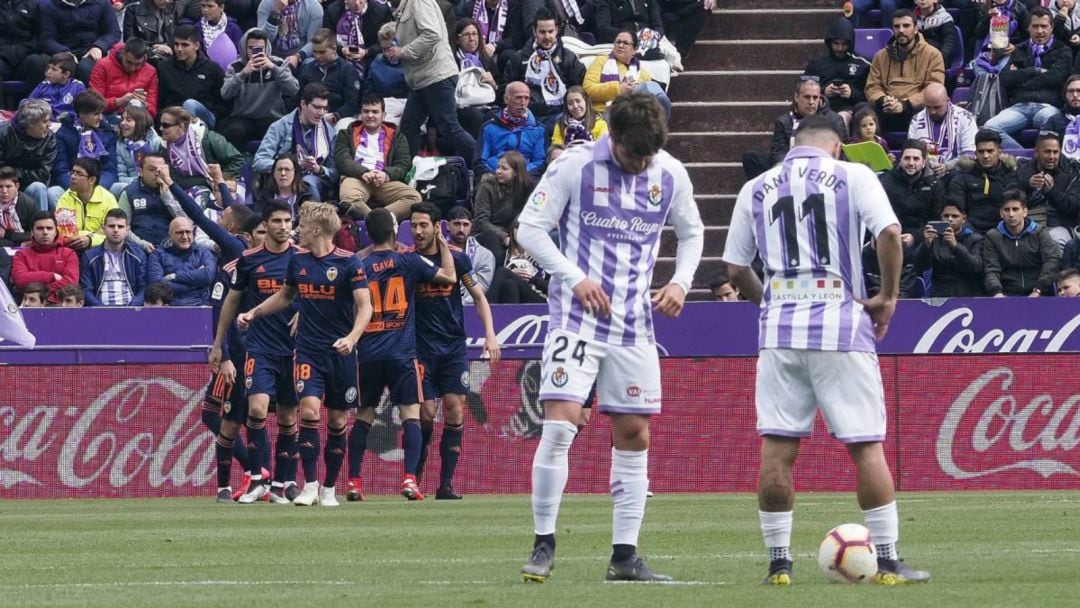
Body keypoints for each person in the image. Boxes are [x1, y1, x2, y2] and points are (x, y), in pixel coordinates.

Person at [723, 115, 930, 587]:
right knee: (865, 445)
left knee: (777, 448)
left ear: (794, 144)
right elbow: (890, 234)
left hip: (779, 333)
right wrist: (888, 298)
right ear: (837, 145)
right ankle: (889, 559)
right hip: (839, 322)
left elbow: (735, 268)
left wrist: (770, 305)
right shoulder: (854, 174)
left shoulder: (756, 186)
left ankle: (779, 564)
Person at [517, 91, 703, 583]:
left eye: (648, 157)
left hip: (634, 326)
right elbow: (529, 229)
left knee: (635, 434)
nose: (641, 165)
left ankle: (624, 557)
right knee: (559, 426)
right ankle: (543, 544)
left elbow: (693, 232)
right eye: (633, 155)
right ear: (612, 136)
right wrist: (573, 277)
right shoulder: (575, 166)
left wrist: (681, 280)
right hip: (576, 320)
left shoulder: (670, 173)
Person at [237, 202, 372, 507]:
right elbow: (285, 296)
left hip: (341, 353)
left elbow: (366, 307)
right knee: (309, 411)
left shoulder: (349, 263)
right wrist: (254, 312)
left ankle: (329, 488)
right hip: (308, 351)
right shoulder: (298, 262)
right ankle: (310, 483)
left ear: (316, 229)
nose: (295, 230)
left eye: (300, 225)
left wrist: (352, 337)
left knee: (337, 422)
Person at [346, 207, 457, 502]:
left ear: (369, 233)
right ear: (395, 232)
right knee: (410, 414)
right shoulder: (407, 261)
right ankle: (409, 479)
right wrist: (443, 243)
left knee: (364, 416)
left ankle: (355, 482)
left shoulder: (359, 264)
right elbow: (449, 276)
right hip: (401, 352)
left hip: (368, 352)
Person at [402, 202, 500, 499]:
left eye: (423, 225)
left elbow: (479, 297)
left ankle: (446, 485)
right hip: (419, 347)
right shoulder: (408, 261)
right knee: (426, 414)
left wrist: (490, 335)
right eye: (414, 226)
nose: (418, 231)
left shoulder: (457, 260)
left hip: (453, 347)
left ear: (437, 226)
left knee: (455, 410)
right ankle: (415, 474)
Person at [212, 201, 302, 504]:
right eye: (275, 220)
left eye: (287, 220)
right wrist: (218, 344)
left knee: (289, 417)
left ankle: (281, 483)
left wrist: (306, 313)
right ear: (265, 224)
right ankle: (256, 479)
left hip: (295, 351)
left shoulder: (302, 258)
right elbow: (231, 302)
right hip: (259, 348)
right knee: (256, 411)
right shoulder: (249, 260)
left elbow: (322, 296)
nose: (282, 226)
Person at [394, 0, 477, 161]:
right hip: (422, 78)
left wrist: (403, 51)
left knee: (449, 128)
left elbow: (432, 34)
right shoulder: (405, 6)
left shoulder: (419, 3)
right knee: (408, 128)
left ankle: (482, 164)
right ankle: (408, 172)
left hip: (437, 76)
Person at [985, 8, 1072, 150]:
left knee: (1052, 124)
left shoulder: (1063, 50)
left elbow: (1056, 78)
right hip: (1019, 107)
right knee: (989, 129)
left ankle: (1041, 159)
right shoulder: (1019, 49)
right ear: (1028, 28)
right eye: (1035, 26)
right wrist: (1035, 70)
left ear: (1052, 28)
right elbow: (1005, 78)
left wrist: (1021, 78)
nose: (1039, 31)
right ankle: (1022, 157)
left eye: (1044, 26)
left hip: (1048, 106)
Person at [335, 94, 422, 220]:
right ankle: (379, 222)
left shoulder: (397, 136)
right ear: (361, 114)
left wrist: (385, 175)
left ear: (383, 115)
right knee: (348, 199)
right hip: (357, 178)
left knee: (415, 198)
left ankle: (378, 219)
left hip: (384, 181)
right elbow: (342, 160)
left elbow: (403, 164)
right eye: (366, 111)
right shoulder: (346, 133)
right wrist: (363, 172)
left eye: (375, 112)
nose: (370, 115)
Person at [742, 76, 847, 180]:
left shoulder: (834, 120)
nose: (811, 102)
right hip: (792, 167)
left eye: (815, 97)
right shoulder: (784, 121)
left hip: (824, 169)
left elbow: (842, 153)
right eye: (807, 97)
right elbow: (778, 153)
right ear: (796, 97)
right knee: (751, 157)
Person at [502, 9, 587, 129]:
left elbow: (580, 87)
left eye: (550, 31)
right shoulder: (519, 58)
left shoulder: (569, 57)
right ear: (534, 31)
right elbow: (506, 88)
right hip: (526, 115)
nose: (547, 36)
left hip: (560, 114)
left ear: (557, 30)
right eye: (542, 32)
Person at [253, 83, 338, 201]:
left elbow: (334, 171)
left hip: (313, 179)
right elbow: (259, 161)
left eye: (325, 108)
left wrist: (318, 169)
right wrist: (288, 167)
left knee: (307, 182)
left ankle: (311, 217)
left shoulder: (329, 131)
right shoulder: (280, 126)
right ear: (303, 104)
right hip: (283, 179)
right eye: (317, 107)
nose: (321, 113)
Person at [865, 9, 946, 133]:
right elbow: (872, 87)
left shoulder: (933, 55)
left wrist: (905, 105)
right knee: (862, 110)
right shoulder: (880, 56)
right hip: (886, 109)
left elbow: (934, 88)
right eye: (897, 26)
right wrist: (883, 100)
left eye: (906, 26)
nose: (901, 30)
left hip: (915, 109)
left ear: (916, 28)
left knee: (929, 109)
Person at [219, 29, 301, 149]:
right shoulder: (235, 67)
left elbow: (294, 89)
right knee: (234, 130)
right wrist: (243, 74)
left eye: (260, 49)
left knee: (283, 132)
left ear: (266, 48)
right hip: (243, 118)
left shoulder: (278, 63)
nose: (255, 53)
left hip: (272, 118)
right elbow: (225, 94)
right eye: (251, 48)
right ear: (244, 48)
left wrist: (273, 68)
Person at [983, 189, 1061, 297]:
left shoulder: (1040, 232)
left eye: (1015, 209)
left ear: (1025, 212)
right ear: (1001, 213)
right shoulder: (992, 236)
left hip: (1040, 293)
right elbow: (991, 269)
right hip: (1006, 294)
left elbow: (1051, 261)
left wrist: (1038, 289)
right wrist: (997, 292)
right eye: (1007, 210)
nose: (1011, 214)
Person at [583, 29, 670, 119]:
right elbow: (588, 90)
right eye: (618, 42)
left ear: (634, 50)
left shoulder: (642, 73)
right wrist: (619, 88)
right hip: (603, 113)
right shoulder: (601, 61)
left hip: (632, 117)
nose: (620, 45)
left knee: (651, 87)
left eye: (625, 43)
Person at [946, 128, 1021, 233]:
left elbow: (1014, 207)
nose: (985, 156)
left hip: (1003, 229)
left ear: (999, 152)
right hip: (970, 229)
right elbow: (956, 206)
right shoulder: (963, 174)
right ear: (975, 153)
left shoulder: (1011, 174)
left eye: (990, 151)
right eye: (981, 152)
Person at [51, 91, 118, 207]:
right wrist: (79, 188)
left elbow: (110, 170)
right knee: (53, 192)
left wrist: (94, 189)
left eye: (101, 113)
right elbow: (61, 170)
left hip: (99, 186)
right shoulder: (62, 134)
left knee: (119, 187)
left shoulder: (108, 134)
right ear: (82, 114)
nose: (100, 118)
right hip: (72, 185)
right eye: (96, 114)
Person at [1015, 130, 1080, 247]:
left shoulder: (1073, 171)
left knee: (1056, 240)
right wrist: (1027, 185)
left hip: (1058, 225)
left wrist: (1053, 191)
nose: (1052, 156)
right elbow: (1007, 199)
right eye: (1047, 152)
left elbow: (1073, 207)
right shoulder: (1022, 169)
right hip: (1025, 223)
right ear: (1036, 152)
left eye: (1055, 152)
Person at [156, 25, 228, 129]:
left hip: (204, 119)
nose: (179, 49)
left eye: (185, 45)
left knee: (190, 104)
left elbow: (223, 102)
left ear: (196, 45)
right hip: (173, 120)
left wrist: (216, 116)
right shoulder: (164, 68)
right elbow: (160, 100)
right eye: (176, 44)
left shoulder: (212, 69)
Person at [159, 106, 245, 192]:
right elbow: (178, 182)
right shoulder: (164, 148)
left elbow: (238, 160)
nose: (160, 128)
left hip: (220, 189)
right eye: (161, 125)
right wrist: (207, 181)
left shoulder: (207, 138)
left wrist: (221, 180)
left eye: (165, 125)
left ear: (181, 126)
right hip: (188, 192)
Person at [912, 201, 986, 297]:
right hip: (940, 295)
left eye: (955, 216)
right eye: (946, 216)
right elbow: (919, 267)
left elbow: (976, 267)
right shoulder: (934, 239)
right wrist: (926, 246)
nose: (950, 219)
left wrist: (955, 247)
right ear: (941, 217)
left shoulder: (975, 239)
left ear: (964, 219)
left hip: (968, 295)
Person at [475, 82, 546, 180]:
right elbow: (480, 161)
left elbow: (541, 162)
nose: (523, 103)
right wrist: (498, 174)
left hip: (526, 178)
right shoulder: (489, 127)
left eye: (526, 98)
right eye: (518, 97)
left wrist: (518, 175)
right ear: (506, 99)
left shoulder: (538, 129)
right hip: (495, 176)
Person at [39, 0, 122, 83]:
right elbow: (46, 38)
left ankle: (87, 95)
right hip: (63, 51)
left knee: (85, 68)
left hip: (92, 50)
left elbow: (114, 32)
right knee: (40, 63)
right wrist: (64, 52)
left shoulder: (102, 3)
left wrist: (99, 46)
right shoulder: (49, 5)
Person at [803, 17, 871, 117]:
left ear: (850, 43)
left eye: (844, 44)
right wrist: (823, 92)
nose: (840, 48)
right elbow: (802, 90)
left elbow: (871, 94)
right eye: (836, 44)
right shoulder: (816, 64)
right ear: (830, 42)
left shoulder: (863, 64)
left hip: (852, 110)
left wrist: (852, 93)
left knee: (842, 118)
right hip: (822, 108)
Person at [80, 208, 149, 306]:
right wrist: (102, 309)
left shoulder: (138, 255)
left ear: (127, 230)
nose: (116, 230)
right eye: (111, 226)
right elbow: (86, 290)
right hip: (100, 313)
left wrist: (132, 308)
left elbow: (143, 288)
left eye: (120, 226)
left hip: (131, 311)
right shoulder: (89, 256)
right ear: (103, 229)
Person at [296, 29, 362, 130]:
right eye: (315, 52)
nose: (317, 56)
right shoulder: (307, 69)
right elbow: (299, 98)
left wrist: (336, 115)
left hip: (337, 118)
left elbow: (352, 103)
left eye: (322, 52)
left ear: (334, 49)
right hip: (310, 116)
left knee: (342, 127)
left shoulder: (347, 70)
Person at [473, 150, 531, 265]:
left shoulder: (526, 188)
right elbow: (481, 221)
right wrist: (504, 237)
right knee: (492, 239)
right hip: (487, 233)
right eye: (498, 167)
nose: (498, 171)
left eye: (504, 169)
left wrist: (514, 238)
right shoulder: (487, 186)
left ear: (516, 172)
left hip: (513, 234)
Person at [907, 82, 977, 175]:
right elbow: (911, 152)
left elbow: (970, 156)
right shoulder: (917, 119)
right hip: (924, 176)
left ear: (948, 101)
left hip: (957, 174)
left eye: (937, 107)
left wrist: (948, 166)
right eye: (928, 107)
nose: (932, 112)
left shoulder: (965, 118)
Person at [146, 216, 217, 306]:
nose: (185, 236)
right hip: (169, 307)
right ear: (170, 235)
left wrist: (176, 277)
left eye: (188, 232)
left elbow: (207, 276)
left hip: (199, 305)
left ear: (193, 233)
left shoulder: (203, 252)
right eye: (179, 232)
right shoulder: (157, 255)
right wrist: (195, 284)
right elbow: (157, 286)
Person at [0, 100, 56, 214]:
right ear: (31, 123)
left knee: (50, 190)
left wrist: (16, 172)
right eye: (45, 121)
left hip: (34, 186)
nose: (49, 125)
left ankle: (42, 226)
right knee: (38, 187)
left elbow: (43, 174)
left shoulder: (49, 137)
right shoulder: (3, 133)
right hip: (6, 187)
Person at [119, 153, 184, 250]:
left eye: (161, 170)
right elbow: (122, 227)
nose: (157, 173)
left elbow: (185, 222)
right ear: (141, 171)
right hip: (137, 248)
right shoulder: (128, 193)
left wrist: (167, 197)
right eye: (152, 170)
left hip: (170, 247)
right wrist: (141, 244)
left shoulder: (174, 190)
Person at [11, 211, 79, 302]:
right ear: (32, 232)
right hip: (29, 305)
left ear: (56, 231)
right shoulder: (21, 255)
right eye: (40, 228)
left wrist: (41, 294)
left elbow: (71, 282)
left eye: (49, 228)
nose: (45, 232)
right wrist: (51, 276)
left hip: (59, 305)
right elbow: (20, 280)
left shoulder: (68, 254)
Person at [54, 157, 119, 252]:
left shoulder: (108, 199)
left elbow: (113, 231)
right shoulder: (65, 199)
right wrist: (94, 234)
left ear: (92, 180)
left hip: (100, 250)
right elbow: (64, 233)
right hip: (71, 248)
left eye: (78, 174)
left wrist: (90, 240)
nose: (72, 176)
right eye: (72, 172)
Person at [451, 18, 500, 139]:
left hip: (486, 105)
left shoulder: (486, 60)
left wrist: (494, 83)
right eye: (467, 35)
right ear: (457, 39)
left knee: (495, 115)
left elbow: (500, 90)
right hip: (461, 107)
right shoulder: (451, 62)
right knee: (474, 116)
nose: (472, 39)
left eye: (474, 34)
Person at [89, 38, 159, 120]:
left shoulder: (150, 72)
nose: (132, 68)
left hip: (137, 119)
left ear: (144, 57)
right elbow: (94, 104)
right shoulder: (102, 66)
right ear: (123, 53)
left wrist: (144, 104)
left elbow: (153, 112)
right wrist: (118, 102)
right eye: (129, 62)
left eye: (138, 64)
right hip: (107, 117)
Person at [329, 0, 394, 76]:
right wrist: (341, 50)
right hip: (340, 58)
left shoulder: (381, 11)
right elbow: (327, 39)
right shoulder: (333, 11)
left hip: (372, 58)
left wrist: (366, 52)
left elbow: (388, 41)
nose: (357, 3)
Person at [446, 205, 496, 303]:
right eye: (457, 224)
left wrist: (460, 305)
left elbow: (482, 288)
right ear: (448, 225)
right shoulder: (436, 251)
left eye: (465, 225)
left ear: (471, 225)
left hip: (471, 308)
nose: (461, 229)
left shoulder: (484, 255)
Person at [113, 104, 165, 198]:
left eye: (128, 120)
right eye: (122, 119)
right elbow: (121, 175)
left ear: (140, 122)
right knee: (115, 187)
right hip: (131, 184)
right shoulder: (120, 144)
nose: (122, 123)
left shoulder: (156, 142)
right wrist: (137, 181)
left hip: (154, 182)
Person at [258, 0, 324, 68]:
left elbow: (313, 42)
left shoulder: (313, 6)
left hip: (299, 58)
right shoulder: (266, 3)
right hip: (271, 56)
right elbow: (261, 39)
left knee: (310, 62)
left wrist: (297, 56)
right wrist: (276, 12)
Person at [0, 0, 49, 87]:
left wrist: (30, 48)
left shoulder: (33, 5)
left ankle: (34, 100)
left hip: (26, 54)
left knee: (36, 61)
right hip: (2, 57)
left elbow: (41, 34)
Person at [27, 54, 87, 124]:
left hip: (69, 126)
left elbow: (85, 111)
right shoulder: (43, 86)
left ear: (66, 74)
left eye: (54, 69)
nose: (48, 72)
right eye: (49, 67)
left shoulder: (78, 87)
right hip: (45, 124)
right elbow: (28, 104)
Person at [197, 0, 245, 70]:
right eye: (203, 6)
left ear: (221, 7)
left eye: (210, 6)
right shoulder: (197, 28)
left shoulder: (233, 28)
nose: (205, 10)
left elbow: (241, 53)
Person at [0, 167, 37, 249]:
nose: (4, 191)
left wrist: (6, 234)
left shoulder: (28, 204)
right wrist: (17, 244)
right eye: (0, 187)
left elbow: (35, 234)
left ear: (17, 186)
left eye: (8, 186)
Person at [914, 0, 959, 65]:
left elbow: (949, 43)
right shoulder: (910, 18)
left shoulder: (945, 18)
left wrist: (939, 59)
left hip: (938, 58)